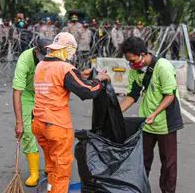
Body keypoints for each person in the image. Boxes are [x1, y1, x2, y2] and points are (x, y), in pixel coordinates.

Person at [32, 32, 109, 193]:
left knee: (52, 165)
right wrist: (99, 80)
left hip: (39, 123)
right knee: (61, 170)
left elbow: (60, 82)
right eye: (71, 50)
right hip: (57, 126)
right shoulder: (65, 68)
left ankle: (50, 190)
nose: (72, 54)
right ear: (66, 49)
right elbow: (87, 91)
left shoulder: (41, 65)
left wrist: (79, 75)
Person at [119, 37, 183, 193]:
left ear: (142, 54)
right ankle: (140, 189)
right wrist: (116, 112)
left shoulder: (163, 67)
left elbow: (170, 95)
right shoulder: (135, 70)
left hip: (165, 122)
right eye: (129, 61)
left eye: (133, 60)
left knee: (168, 163)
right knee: (143, 160)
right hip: (147, 122)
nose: (132, 64)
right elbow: (133, 95)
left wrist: (155, 114)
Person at [12, 38, 51, 187]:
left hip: (45, 93)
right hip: (28, 94)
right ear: (36, 50)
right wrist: (19, 122)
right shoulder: (25, 60)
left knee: (48, 130)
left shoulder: (53, 58)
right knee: (27, 132)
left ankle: (49, 164)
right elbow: (17, 92)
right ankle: (34, 172)